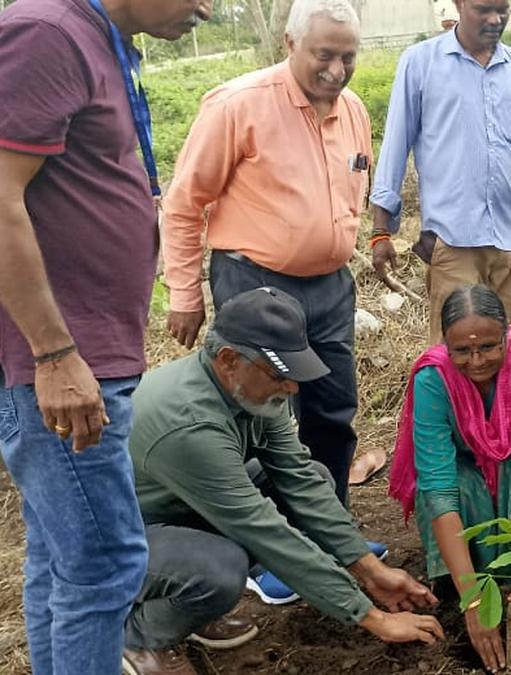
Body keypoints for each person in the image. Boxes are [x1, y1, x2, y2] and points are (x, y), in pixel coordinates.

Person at [0, 1, 210, 672]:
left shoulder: (104, 41)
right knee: (107, 562)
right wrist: (54, 354)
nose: (207, 7)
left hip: (86, 353)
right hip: (60, 361)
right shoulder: (48, 33)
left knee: (62, 560)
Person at [123, 288, 444, 675]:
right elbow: (262, 529)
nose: (292, 389)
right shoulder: (190, 424)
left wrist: (369, 571)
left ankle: (190, 609)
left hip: (180, 503)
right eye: (280, 375)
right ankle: (136, 636)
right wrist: (369, 616)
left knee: (319, 479)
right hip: (115, 535)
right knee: (220, 571)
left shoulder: (250, 390)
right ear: (228, 360)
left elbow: (301, 480)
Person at [161, 0, 370, 505]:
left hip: (331, 288)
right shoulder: (238, 106)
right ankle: (269, 545)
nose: (337, 70)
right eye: (324, 55)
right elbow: (184, 205)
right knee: (258, 414)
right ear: (290, 44)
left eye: (348, 57)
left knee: (332, 410)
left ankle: (332, 527)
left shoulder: (354, 110)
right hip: (254, 284)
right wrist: (184, 292)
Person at [389, 284, 511, 672]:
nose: (476, 361)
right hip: (465, 484)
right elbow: (438, 487)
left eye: (488, 346)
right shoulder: (432, 379)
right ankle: (476, 577)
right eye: (462, 351)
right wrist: (473, 600)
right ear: (445, 346)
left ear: (506, 335)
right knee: (452, 482)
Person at [370, 0, 511, 345]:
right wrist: (380, 232)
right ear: (458, 4)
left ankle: (504, 404)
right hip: (453, 242)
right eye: (483, 9)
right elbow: (394, 147)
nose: (494, 19)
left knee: (507, 352)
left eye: (502, 10)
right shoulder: (421, 63)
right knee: (454, 356)